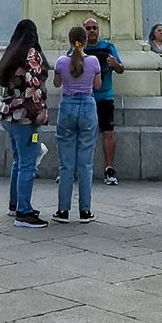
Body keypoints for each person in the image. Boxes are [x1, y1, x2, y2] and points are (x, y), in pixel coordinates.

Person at [0, 18, 50, 227]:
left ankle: (15, 204)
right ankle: (24, 212)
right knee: (28, 163)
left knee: (18, 161)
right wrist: (41, 112)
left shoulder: (11, 53)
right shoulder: (32, 54)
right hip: (26, 117)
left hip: (9, 115)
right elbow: (35, 86)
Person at [49, 24, 99, 221]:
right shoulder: (93, 61)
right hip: (87, 105)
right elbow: (97, 85)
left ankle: (63, 210)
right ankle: (85, 210)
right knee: (86, 163)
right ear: (85, 41)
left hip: (68, 105)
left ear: (70, 41)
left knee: (66, 164)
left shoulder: (62, 61)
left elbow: (57, 83)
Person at [82, 15, 126, 185]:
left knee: (108, 132)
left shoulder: (108, 47)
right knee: (81, 133)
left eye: (94, 28)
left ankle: (109, 168)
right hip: (85, 96)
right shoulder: (79, 47)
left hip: (105, 96)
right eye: (88, 28)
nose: (92, 31)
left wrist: (115, 64)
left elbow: (121, 69)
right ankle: (76, 168)